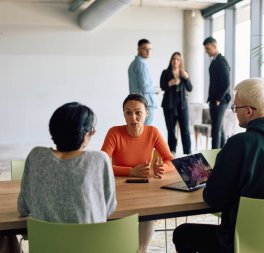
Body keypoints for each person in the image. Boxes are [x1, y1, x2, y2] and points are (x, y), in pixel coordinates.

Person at [173, 78, 264, 253]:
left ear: (248, 111)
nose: (234, 112)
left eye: (235, 107)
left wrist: (213, 179)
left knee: (182, 233)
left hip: (243, 242)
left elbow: (214, 199)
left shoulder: (240, 144)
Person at [18, 102, 117, 223]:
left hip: (46, 241)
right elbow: (109, 208)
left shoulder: (36, 156)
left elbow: (23, 208)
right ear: (86, 135)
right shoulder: (99, 160)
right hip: (90, 240)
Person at [101, 93, 174, 253]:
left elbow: (170, 160)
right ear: (124, 114)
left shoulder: (153, 132)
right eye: (128, 113)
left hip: (145, 190)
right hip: (119, 190)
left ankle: (140, 250)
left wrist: (163, 168)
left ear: (146, 113)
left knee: (149, 213)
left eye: (138, 112)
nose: (133, 117)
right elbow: (102, 164)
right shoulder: (114, 132)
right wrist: (130, 171)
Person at [160, 52, 193, 155]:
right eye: (174, 59)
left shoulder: (184, 72)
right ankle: (172, 153)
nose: (175, 61)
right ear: (171, 60)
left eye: (178, 59)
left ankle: (188, 153)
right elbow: (162, 86)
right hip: (169, 105)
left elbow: (190, 88)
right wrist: (171, 83)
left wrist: (187, 78)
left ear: (180, 61)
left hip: (182, 105)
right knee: (171, 130)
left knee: (185, 130)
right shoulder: (165, 72)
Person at [203, 36, 231, 149]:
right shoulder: (215, 60)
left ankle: (213, 157)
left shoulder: (221, 61)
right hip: (215, 100)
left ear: (215, 46)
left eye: (208, 48)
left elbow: (226, 83)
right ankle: (222, 154)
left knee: (215, 130)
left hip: (220, 100)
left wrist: (219, 98)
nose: (206, 51)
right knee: (219, 129)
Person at [128, 38, 156, 125]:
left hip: (137, 102)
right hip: (144, 102)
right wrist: (155, 90)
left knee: (139, 130)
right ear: (138, 49)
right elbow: (145, 86)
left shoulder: (134, 63)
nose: (148, 51)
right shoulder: (141, 64)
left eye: (150, 49)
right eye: (145, 49)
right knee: (144, 131)